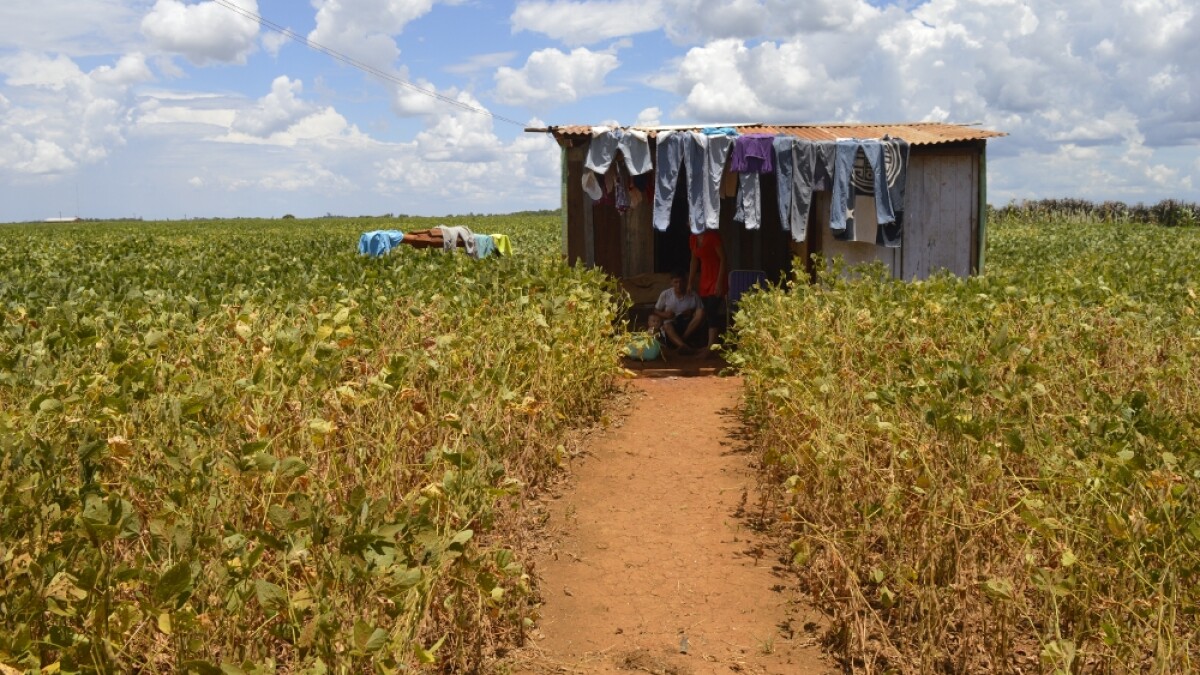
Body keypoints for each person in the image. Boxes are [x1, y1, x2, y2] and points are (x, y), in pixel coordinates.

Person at [688, 230, 726, 356]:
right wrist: (690, 281)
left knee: (711, 309)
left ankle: (711, 347)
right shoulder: (693, 238)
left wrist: (719, 282)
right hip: (705, 277)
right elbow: (694, 261)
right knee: (707, 310)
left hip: (717, 276)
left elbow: (723, 259)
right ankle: (712, 345)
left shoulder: (712, 237)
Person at [653, 272, 705, 352]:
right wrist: (665, 314)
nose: (679, 285)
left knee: (700, 312)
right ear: (671, 283)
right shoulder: (666, 294)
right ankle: (684, 346)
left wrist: (692, 312)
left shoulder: (693, 295)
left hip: (689, 326)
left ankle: (682, 341)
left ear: (686, 282)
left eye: (681, 282)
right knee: (666, 325)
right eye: (676, 282)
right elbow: (656, 310)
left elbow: (702, 312)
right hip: (673, 324)